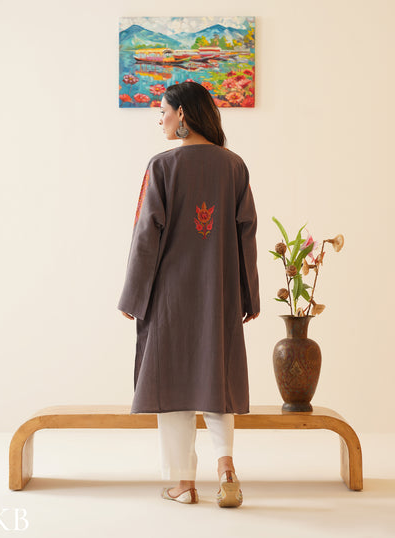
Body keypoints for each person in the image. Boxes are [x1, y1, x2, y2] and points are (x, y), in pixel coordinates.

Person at [117, 81, 260, 507]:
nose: (159, 119)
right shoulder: (234, 166)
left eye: (162, 111)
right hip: (219, 293)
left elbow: (146, 236)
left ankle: (183, 484)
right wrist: (248, 295)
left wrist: (133, 296)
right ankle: (226, 466)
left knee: (173, 381)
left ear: (182, 113)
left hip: (170, 297)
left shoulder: (162, 166)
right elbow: (246, 234)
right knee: (217, 376)